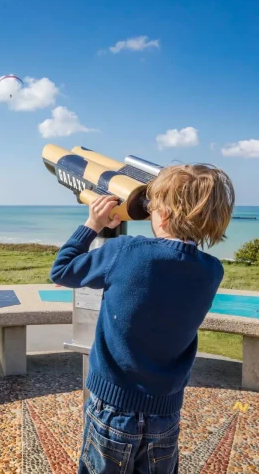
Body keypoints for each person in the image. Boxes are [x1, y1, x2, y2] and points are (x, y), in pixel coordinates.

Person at [50, 164, 234, 474]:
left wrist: (92, 224)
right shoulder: (212, 270)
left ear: (163, 213)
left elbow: (62, 270)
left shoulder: (127, 250)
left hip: (113, 407)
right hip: (165, 412)